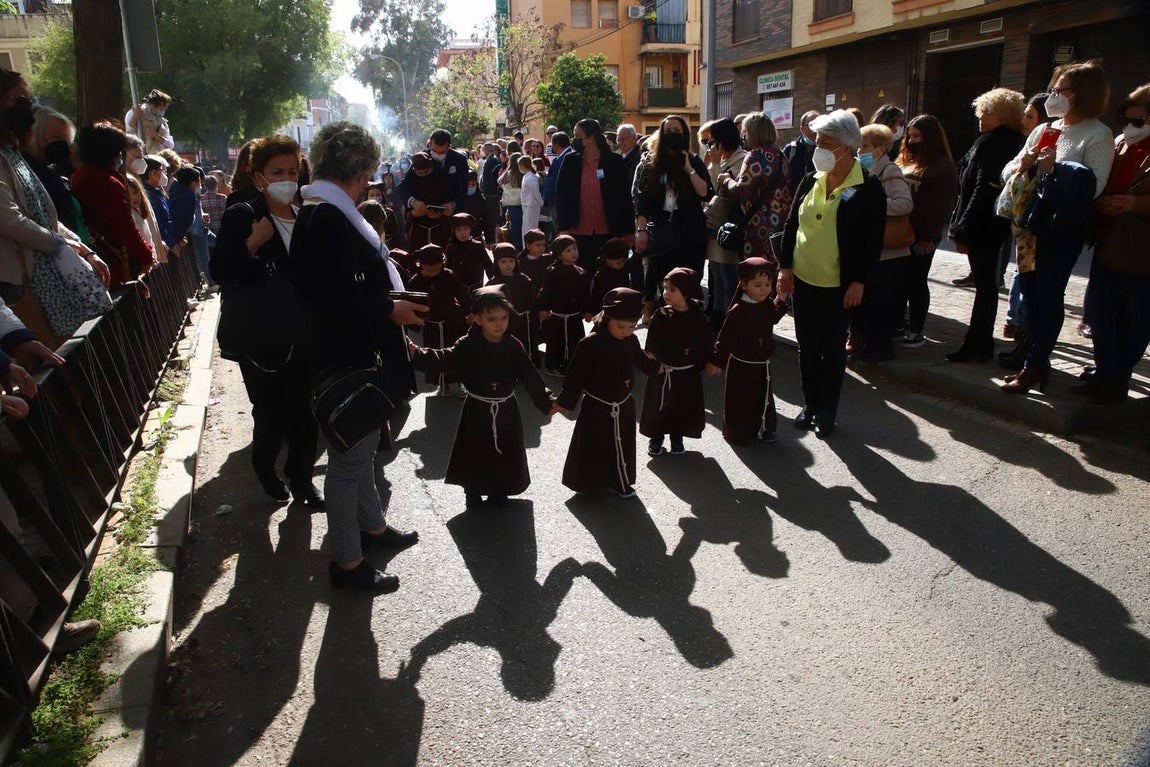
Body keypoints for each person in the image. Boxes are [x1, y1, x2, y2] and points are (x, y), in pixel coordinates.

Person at [287, 120, 425, 593]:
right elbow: (336, 295)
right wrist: (391, 309)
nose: (369, 181)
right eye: (367, 172)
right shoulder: (326, 216)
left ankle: (373, 527)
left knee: (361, 452)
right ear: (358, 170)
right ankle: (347, 562)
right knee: (348, 465)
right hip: (347, 357)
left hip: (352, 351)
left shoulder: (323, 209)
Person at [210, 135, 321, 507]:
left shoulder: (306, 217)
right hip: (259, 340)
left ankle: (302, 480)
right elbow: (221, 272)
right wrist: (253, 243)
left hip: (301, 334)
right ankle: (265, 467)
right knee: (272, 414)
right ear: (259, 177)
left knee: (305, 414)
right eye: (277, 172)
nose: (287, 179)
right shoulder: (244, 215)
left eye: (292, 172)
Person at [999, 60, 1115, 394]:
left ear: (1083, 93)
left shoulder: (1098, 134)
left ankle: (1034, 365)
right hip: (1029, 225)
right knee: (1029, 294)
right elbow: (1009, 169)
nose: (1054, 95)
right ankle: (1032, 358)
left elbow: (1094, 187)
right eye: (1053, 88)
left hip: (1061, 230)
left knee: (1048, 295)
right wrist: (1023, 165)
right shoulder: (1044, 129)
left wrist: (1054, 170)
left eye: (1061, 90)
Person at [777, 110, 886, 439]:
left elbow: (872, 242)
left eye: (825, 143)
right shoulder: (812, 178)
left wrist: (859, 281)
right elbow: (791, 224)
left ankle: (827, 410)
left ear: (846, 147)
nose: (817, 148)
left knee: (833, 349)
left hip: (840, 285)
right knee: (807, 347)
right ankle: (810, 404)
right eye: (817, 141)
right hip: (804, 280)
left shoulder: (868, 187)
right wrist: (785, 266)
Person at [410, 285, 554, 508]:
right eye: (491, 319)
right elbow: (444, 358)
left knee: (503, 448)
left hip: (506, 408)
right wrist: (417, 354)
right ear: (477, 319)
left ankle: (500, 490)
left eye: (504, 318)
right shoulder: (467, 345)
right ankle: (473, 491)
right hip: (477, 408)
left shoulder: (513, 345)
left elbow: (530, 375)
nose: (499, 324)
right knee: (475, 449)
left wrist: (547, 401)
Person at [552, 287, 660, 498]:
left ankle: (619, 480)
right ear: (607, 318)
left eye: (632, 327)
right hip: (597, 406)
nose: (626, 331)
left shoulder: (630, 340)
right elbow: (575, 375)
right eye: (621, 326)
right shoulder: (590, 343)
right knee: (595, 445)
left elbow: (640, 358)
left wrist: (655, 367)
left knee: (622, 444)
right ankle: (588, 483)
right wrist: (565, 401)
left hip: (623, 403)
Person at [1081, 83, 1150, 404]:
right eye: (1127, 119)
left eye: (1139, 121)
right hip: (1108, 243)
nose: (1131, 127)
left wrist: (1133, 204)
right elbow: (1098, 183)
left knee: (1135, 319)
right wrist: (1101, 203)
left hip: (1141, 251)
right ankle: (1104, 371)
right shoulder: (1120, 143)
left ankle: (1117, 377)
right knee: (1098, 313)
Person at [946, 91, 1025, 362]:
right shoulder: (1002, 141)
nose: (981, 116)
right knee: (986, 285)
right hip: (990, 222)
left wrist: (962, 227)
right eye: (981, 111)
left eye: (988, 112)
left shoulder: (994, 143)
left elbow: (983, 187)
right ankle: (979, 343)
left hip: (984, 224)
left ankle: (977, 343)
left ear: (1004, 115)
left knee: (986, 286)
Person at [633, 115, 713, 319]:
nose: (672, 135)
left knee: (689, 285)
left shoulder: (693, 161)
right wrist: (641, 231)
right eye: (668, 131)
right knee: (667, 286)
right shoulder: (651, 163)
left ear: (684, 134)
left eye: (677, 131)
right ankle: (667, 324)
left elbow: (705, 193)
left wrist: (689, 169)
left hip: (691, 234)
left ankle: (690, 326)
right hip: (662, 234)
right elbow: (643, 201)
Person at [705, 257, 788, 444]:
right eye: (757, 285)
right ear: (743, 285)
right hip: (741, 365)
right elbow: (725, 338)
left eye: (767, 284)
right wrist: (716, 362)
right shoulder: (738, 310)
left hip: (762, 364)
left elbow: (773, 317)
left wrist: (781, 299)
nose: (764, 289)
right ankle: (738, 432)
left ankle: (764, 428)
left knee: (762, 397)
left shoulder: (766, 303)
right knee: (741, 400)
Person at [851, 123, 913, 363]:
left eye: (865, 146)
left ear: (879, 148)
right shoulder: (862, 171)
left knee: (881, 302)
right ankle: (866, 344)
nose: (860, 150)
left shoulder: (889, 170)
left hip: (889, 251)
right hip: (871, 248)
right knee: (868, 302)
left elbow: (905, 203)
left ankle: (880, 349)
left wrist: (873, 205)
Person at [897, 114, 959, 348]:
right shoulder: (908, 160)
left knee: (916, 282)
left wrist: (927, 237)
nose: (911, 141)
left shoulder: (942, 168)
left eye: (917, 136)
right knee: (901, 281)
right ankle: (899, 324)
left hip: (922, 236)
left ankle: (916, 330)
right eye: (910, 136)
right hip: (901, 232)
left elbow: (941, 208)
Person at [70, 122, 150, 290]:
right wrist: (146, 254)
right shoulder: (108, 183)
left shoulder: (79, 176)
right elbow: (124, 225)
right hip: (112, 260)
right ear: (112, 153)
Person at [640, 267, 710, 456]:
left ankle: (677, 439)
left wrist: (707, 361)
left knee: (681, 406)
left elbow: (704, 341)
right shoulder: (661, 315)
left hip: (687, 373)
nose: (666, 293)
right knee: (660, 405)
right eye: (664, 288)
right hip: (664, 372)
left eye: (672, 289)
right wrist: (654, 364)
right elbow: (652, 344)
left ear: (685, 292)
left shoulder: (697, 315)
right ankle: (656, 438)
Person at [1003, 93, 1050, 340]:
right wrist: (1022, 166)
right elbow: (1008, 170)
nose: (1024, 121)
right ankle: (1015, 321)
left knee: (1031, 271)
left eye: (1030, 116)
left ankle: (1022, 323)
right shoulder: (1027, 144)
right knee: (1022, 268)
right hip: (1023, 217)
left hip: (1043, 219)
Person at [556, 119, 632, 271]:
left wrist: (629, 231)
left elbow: (624, 197)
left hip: (609, 231)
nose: (574, 140)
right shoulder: (570, 161)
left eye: (578, 136)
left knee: (608, 275)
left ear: (591, 138)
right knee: (582, 273)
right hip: (578, 231)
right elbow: (561, 195)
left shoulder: (613, 161)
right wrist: (563, 228)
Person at [727, 112, 792, 265]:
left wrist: (726, 180)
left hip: (758, 226)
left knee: (757, 271)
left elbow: (742, 191)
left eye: (745, 131)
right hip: (781, 224)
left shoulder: (754, 156)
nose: (743, 136)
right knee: (773, 271)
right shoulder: (781, 155)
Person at [407, 243, 469, 396]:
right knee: (434, 356)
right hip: (431, 325)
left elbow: (462, 295)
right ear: (421, 265)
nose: (433, 273)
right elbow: (411, 304)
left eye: (437, 269)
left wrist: (470, 312)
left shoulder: (449, 275)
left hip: (451, 322)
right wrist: (415, 321)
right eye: (429, 270)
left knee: (456, 352)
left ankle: (461, 383)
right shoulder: (415, 282)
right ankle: (443, 385)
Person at [702, 117, 746, 326]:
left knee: (728, 272)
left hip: (729, 224)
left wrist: (715, 167)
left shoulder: (742, 159)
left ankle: (730, 318)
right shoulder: (721, 160)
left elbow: (727, 190)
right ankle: (718, 312)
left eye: (712, 141)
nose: (711, 146)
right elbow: (711, 189)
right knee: (715, 270)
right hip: (715, 222)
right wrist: (712, 165)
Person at [537, 234, 589, 375]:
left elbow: (585, 294)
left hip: (574, 316)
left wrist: (587, 310)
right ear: (559, 254)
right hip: (557, 316)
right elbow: (545, 292)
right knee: (555, 342)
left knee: (576, 341)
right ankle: (553, 366)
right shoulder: (551, 272)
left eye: (575, 249)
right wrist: (543, 308)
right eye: (568, 250)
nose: (573, 253)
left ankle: (575, 366)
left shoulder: (581, 272)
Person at [23, 107, 78, 232]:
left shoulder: (58, 172)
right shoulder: (27, 172)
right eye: (57, 137)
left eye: (67, 140)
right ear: (35, 134)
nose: (62, 144)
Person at [486, 242, 538, 365]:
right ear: (497, 263)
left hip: (523, 322)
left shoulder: (524, 279)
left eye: (511, 261)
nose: (508, 264)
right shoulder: (493, 284)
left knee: (525, 346)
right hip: (504, 323)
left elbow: (532, 300)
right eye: (503, 262)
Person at [398, 152, 451, 249]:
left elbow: (448, 201)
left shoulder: (441, 177)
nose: (423, 176)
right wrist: (413, 204)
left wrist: (441, 215)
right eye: (420, 173)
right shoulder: (412, 177)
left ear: (431, 168)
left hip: (439, 229)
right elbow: (401, 188)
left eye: (426, 172)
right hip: (418, 230)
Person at [444, 212, 492, 291]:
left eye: (466, 228)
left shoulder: (477, 246)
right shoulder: (451, 248)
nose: (463, 232)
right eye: (459, 230)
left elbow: (488, 265)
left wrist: (493, 282)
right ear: (454, 231)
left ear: (470, 229)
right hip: (458, 289)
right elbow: (447, 269)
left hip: (477, 287)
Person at [588, 237, 632, 314]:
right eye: (619, 263)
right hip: (604, 309)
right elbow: (596, 296)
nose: (622, 265)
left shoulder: (624, 270)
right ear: (608, 260)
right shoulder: (601, 275)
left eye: (624, 262)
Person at [782, 110, 821, 198]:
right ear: (802, 129)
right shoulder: (791, 149)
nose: (816, 129)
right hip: (792, 200)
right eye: (812, 124)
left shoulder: (825, 151)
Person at [126, 89, 174, 155]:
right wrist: (135, 117)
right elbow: (128, 129)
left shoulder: (163, 123)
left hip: (158, 157)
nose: (163, 112)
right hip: (140, 155)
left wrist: (155, 135)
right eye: (161, 109)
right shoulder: (136, 112)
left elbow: (170, 145)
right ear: (153, 105)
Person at [499, 152, 524, 247]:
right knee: (524, 225)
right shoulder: (523, 174)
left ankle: (518, 246)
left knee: (515, 226)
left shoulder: (507, 174)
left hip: (511, 203)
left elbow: (499, 181)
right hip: (522, 202)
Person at [519, 155, 543, 241]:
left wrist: (541, 203)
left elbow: (535, 192)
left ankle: (531, 245)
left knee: (531, 227)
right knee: (525, 227)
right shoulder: (526, 176)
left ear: (523, 165)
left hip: (532, 205)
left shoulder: (531, 178)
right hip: (527, 205)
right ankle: (526, 246)